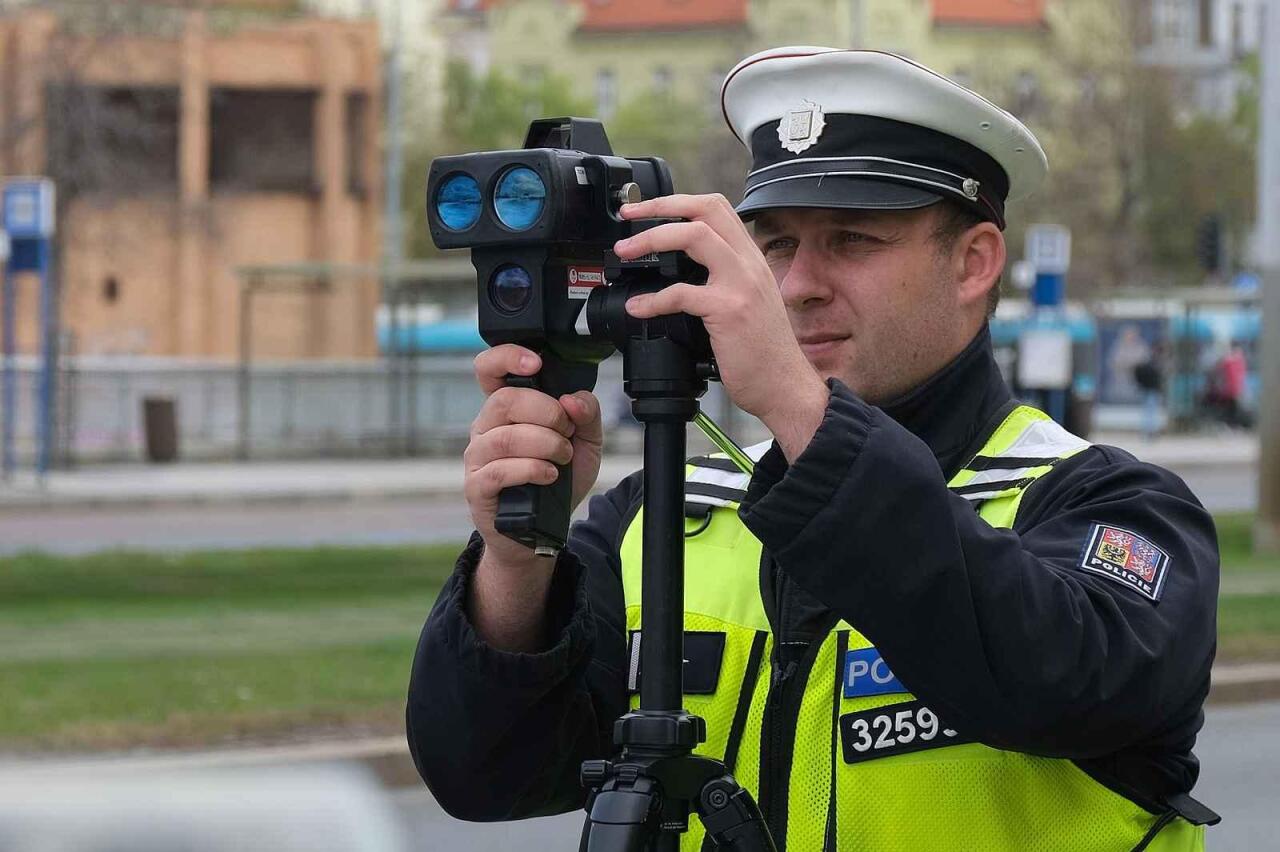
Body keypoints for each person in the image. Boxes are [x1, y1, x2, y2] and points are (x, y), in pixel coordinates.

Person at [407, 48, 1220, 851]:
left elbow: (1052, 682)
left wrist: (799, 403)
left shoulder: (1113, 505)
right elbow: (484, 774)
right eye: (778, 245)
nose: (799, 285)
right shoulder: (661, 516)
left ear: (974, 263)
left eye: (853, 240)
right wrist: (517, 565)